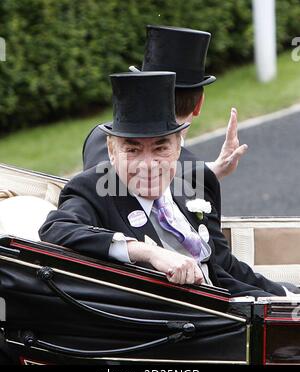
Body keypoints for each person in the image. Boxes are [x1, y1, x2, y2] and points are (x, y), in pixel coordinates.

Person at [39, 71, 288, 298]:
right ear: (111, 151)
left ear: (179, 147)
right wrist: (149, 253)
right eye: (132, 150)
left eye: (161, 148)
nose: (149, 164)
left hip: (235, 314)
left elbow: (225, 268)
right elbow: (56, 229)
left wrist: (288, 296)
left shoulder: (190, 187)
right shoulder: (94, 189)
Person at [82, 26, 248, 218]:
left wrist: (209, 170)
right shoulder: (198, 177)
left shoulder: (99, 136)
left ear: (140, 89)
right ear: (199, 104)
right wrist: (210, 173)